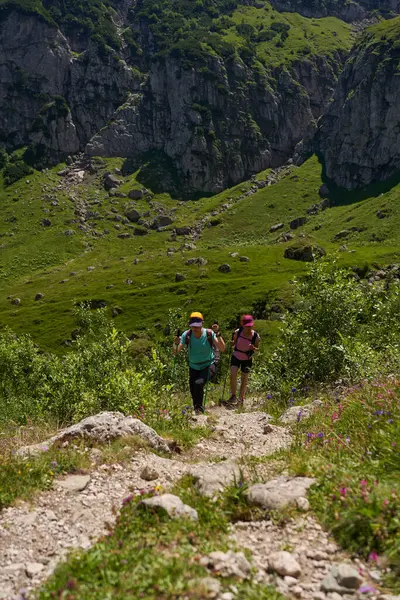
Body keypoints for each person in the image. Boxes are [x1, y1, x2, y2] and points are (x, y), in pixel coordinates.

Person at [173, 312, 226, 413]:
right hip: (194, 367)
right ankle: (197, 409)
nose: (195, 328)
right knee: (193, 389)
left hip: (209, 364)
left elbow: (222, 348)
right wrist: (175, 343)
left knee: (198, 383)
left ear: (202, 324)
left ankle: (199, 410)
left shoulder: (209, 333)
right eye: (193, 326)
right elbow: (176, 352)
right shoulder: (187, 335)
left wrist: (218, 333)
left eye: (197, 326)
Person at [226, 314, 260, 408]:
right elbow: (234, 343)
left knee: (244, 379)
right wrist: (232, 343)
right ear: (242, 324)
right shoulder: (238, 332)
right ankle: (233, 396)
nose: (249, 328)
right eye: (247, 326)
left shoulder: (256, 336)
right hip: (236, 355)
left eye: (250, 326)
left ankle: (241, 399)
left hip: (247, 359)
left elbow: (257, 348)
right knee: (233, 374)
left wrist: (254, 348)